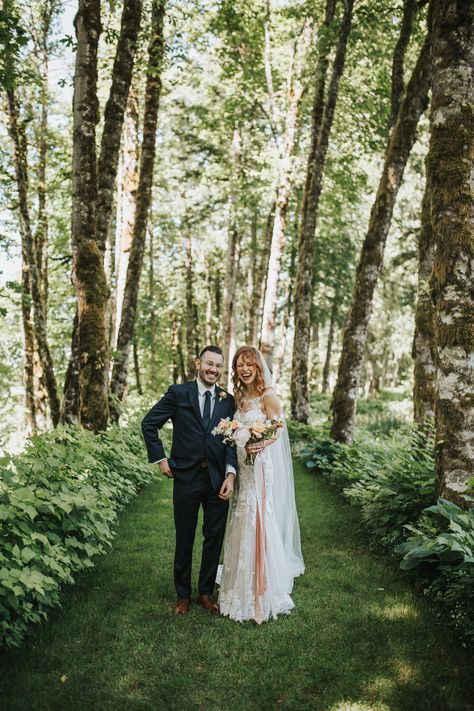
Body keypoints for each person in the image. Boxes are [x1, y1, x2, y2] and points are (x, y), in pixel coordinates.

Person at [141, 345, 237, 615]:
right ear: (198, 364)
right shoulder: (178, 393)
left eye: (218, 366)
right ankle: (182, 595)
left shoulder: (227, 400)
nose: (213, 370)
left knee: (214, 536)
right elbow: (149, 424)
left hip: (218, 479)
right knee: (185, 535)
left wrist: (231, 474)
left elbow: (231, 440)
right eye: (209, 364)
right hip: (186, 477)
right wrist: (160, 459)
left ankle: (206, 592)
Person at [218, 346, 304, 623]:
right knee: (243, 515)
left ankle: (261, 589)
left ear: (258, 368)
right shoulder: (240, 399)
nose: (244, 369)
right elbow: (235, 431)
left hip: (261, 470)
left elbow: (278, 429)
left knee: (258, 517)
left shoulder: (269, 397)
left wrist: (261, 443)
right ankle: (239, 584)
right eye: (240, 365)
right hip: (243, 470)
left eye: (249, 365)